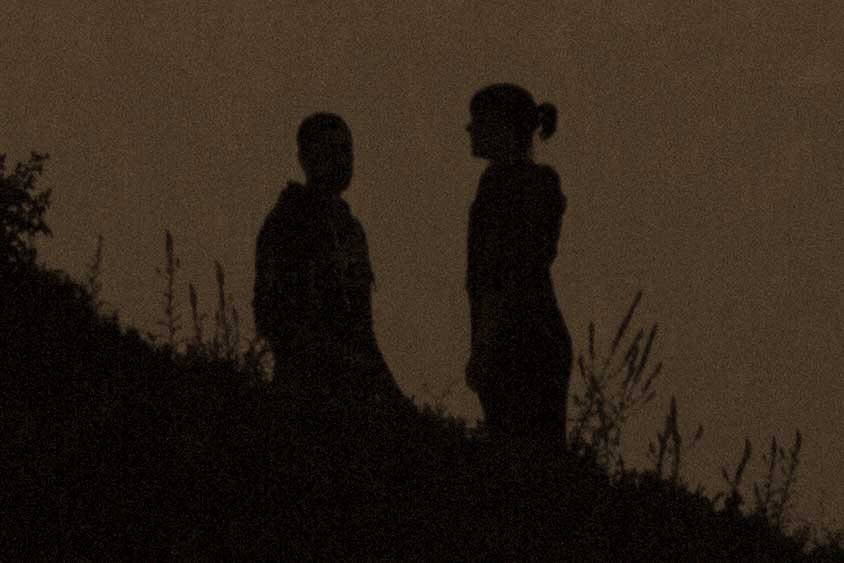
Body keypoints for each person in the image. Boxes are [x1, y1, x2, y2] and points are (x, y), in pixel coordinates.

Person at [253, 112, 408, 417]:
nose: (342, 159)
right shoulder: (288, 222)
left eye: (346, 150)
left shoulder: (349, 229)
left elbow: (362, 328)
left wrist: (391, 396)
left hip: (353, 396)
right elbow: (272, 315)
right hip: (306, 396)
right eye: (329, 150)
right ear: (304, 159)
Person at [464, 83, 573, 444]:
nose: (469, 128)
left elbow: (503, 275)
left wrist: (484, 343)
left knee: (514, 450)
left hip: (515, 343)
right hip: (541, 336)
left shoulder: (501, 185)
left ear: (501, 126)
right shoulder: (541, 182)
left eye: (478, 120)